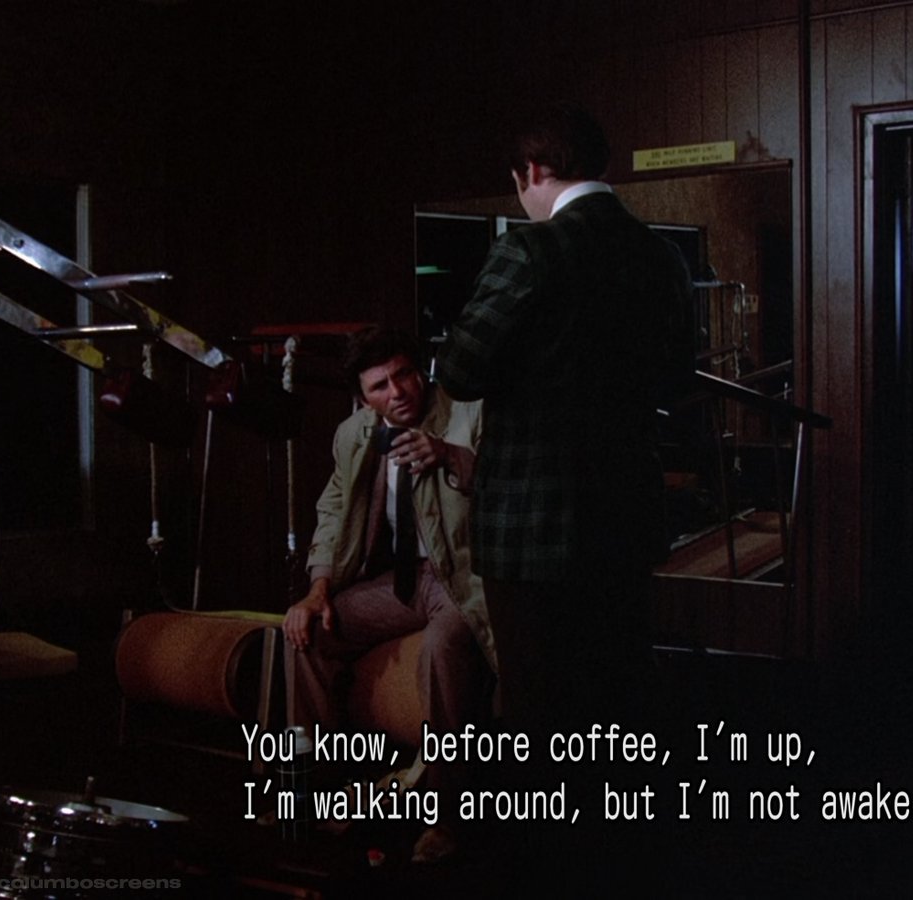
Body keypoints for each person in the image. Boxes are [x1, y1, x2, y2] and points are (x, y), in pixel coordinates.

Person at [435, 104, 693, 760]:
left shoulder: (529, 248)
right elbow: (675, 381)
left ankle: (551, 826)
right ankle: (623, 819)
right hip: (626, 514)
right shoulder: (660, 255)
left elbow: (460, 372)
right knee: (618, 693)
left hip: (532, 523)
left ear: (532, 171)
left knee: (539, 705)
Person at [283, 324, 495, 862]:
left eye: (404, 375)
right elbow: (334, 509)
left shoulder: (468, 412)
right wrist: (317, 589)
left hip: (461, 578)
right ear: (363, 398)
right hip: (400, 582)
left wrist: (447, 455)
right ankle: (321, 791)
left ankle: (449, 819)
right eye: (380, 386)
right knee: (307, 633)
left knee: (443, 647)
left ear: (419, 371)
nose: (397, 392)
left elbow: (504, 485)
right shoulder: (354, 433)